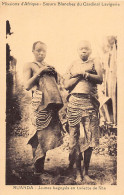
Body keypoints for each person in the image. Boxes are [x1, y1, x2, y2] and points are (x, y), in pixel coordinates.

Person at [64, 40, 103, 183]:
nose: (84, 51)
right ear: (77, 50)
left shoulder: (95, 62)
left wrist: (84, 74)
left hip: (89, 103)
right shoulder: (73, 64)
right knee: (75, 139)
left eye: (86, 49)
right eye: (81, 49)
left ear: (91, 50)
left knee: (90, 138)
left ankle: (86, 172)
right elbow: (66, 85)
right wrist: (80, 74)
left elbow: (100, 78)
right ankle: (78, 173)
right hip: (74, 103)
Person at [23, 41, 63, 175]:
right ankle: (36, 167)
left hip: (49, 103)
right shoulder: (29, 65)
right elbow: (27, 85)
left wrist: (53, 72)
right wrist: (40, 72)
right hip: (37, 102)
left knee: (46, 133)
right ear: (33, 51)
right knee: (37, 133)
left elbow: (55, 85)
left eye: (44, 51)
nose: (41, 53)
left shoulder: (47, 66)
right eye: (38, 50)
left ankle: (40, 166)